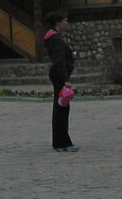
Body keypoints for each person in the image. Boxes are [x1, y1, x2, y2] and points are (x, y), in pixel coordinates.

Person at [43, 10, 78, 152]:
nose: (66, 22)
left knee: (61, 107)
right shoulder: (55, 39)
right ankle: (62, 142)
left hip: (59, 75)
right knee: (61, 109)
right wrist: (66, 79)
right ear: (58, 23)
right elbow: (59, 61)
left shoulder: (54, 37)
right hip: (60, 76)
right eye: (64, 20)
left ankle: (60, 141)